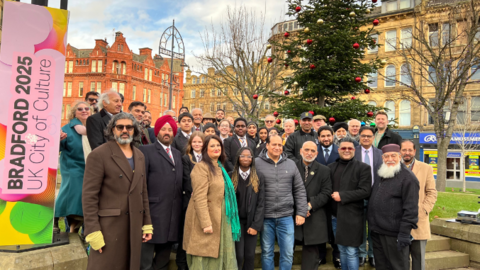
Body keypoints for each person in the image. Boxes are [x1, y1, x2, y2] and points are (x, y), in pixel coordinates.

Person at [82, 112, 153, 270]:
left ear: (134, 130)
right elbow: (89, 197)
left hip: (134, 226)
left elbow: (143, 192)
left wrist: (147, 223)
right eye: (120, 127)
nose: (124, 130)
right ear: (112, 130)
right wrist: (93, 230)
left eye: (129, 127)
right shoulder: (99, 155)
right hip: (109, 228)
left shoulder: (140, 155)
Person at [183, 135, 240, 269]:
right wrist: (206, 223)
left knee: (219, 255)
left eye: (218, 145)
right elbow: (199, 198)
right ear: (205, 150)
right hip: (206, 220)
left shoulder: (219, 167)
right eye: (212, 146)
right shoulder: (201, 167)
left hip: (221, 220)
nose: (216, 148)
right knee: (204, 256)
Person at [256, 134, 308, 270]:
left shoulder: (290, 164)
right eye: (274, 144)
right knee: (267, 252)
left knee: (288, 253)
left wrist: (301, 212)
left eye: (280, 145)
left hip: (286, 217)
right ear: (267, 145)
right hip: (266, 217)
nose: (277, 147)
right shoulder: (256, 163)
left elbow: (299, 189)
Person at [139, 115, 183, 270]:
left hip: (172, 213)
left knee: (164, 256)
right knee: (145, 259)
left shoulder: (177, 154)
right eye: (163, 129)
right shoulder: (145, 151)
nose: (167, 132)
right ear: (157, 131)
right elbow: (140, 182)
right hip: (153, 211)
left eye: (170, 130)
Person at [368, 144, 419, 270]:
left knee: (397, 267)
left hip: (394, 235)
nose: (389, 159)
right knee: (381, 266)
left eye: (393, 156)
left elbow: (411, 210)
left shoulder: (408, 178)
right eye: (386, 156)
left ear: (400, 156)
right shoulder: (382, 172)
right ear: (382, 157)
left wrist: (404, 234)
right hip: (377, 231)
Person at [328, 137, 372, 270]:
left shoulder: (363, 168)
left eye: (350, 148)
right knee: (341, 250)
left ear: (354, 150)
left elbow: (365, 191)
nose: (346, 150)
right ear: (338, 150)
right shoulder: (331, 167)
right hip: (335, 216)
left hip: (353, 216)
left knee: (352, 252)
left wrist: (342, 196)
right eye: (343, 148)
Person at [295, 141, 332, 269]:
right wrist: (300, 208)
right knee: (287, 250)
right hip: (293, 215)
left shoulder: (324, 170)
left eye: (312, 151)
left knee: (311, 252)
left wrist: (308, 206)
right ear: (301, 151)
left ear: (316, 153)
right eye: (306, 150)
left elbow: (326, 193)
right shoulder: (291, 167)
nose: (309, 153)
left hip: (314, 215)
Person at [56, 102, 92, 233]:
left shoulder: (93, 128)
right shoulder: (66, 129)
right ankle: (55, 217)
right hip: (73, 167)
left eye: (87, 109)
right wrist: (58, 140)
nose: (84, 111)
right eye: (80, 109)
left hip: (90, 168)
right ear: (74, 113)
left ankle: (73, 229)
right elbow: (58, 148)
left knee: (85, 200)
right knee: (72, 193)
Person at [401, 140, 437, 270]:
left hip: (419, 220)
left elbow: (432, 192)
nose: (407, 153)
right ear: (400, 151)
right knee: (401, 260)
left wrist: (424, 209)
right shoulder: (393, 168)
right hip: (399, 222)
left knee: (419, 259)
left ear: (415, 152)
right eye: (404, 150)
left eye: (410, 150)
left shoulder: (426, 168)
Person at [229, 147, 265, 270]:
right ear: (238, 158)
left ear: (252, 159)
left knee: (249, 255)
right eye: (243, 156)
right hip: (236, 224)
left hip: (251, 223)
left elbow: (261, 203)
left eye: (249, 156)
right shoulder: (230, 176)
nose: (246, 158)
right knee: (238, 255)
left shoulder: (258, 177)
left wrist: (256, 225)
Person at [354, 126, 383, 267]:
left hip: (375, 197)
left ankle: (372, 254)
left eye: (369, 136)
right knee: (359, 227)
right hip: (357, 197)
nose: (366, 138)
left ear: (373, 138)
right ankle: (361, 254)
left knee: (373, 228)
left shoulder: (380, 154)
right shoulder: (353, 152)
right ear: (359, 136)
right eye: (363, 135)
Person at [177, 131, 205, 270]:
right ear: (190, 143)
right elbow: (187, 178)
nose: (197, 144)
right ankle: (182, 264)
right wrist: (196, 191)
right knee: (186, 232)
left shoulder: (207, 158)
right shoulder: (186, 158)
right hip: (190, 199)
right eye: (194, 142)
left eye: (200, 142)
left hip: (205, 201)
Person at [315, 125, 341, 267]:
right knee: (319, 227)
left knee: (336, 228)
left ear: (333, 136)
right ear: (318, 138)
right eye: (323, 136)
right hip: (318, 195)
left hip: (336, 195)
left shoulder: (340, 151)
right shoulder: (314, 152)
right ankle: (321, 255)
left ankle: (337, 256)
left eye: (328, 136)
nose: (326, 138)